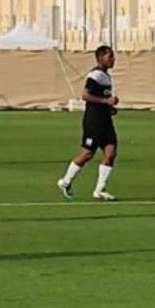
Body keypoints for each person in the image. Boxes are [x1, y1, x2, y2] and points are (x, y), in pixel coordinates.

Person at [57, 45, 120, 201]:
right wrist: (106, 101)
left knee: (110, 152)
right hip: (94, 120)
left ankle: (100, 189)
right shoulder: (95, 75)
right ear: (100, 58)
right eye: (109, 56)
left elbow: (101, 99)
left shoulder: (106, 76)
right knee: (87, 153)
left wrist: (110, 107)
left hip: (105, 120)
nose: (113, 59)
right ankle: (65, 182)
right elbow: (85, 95)